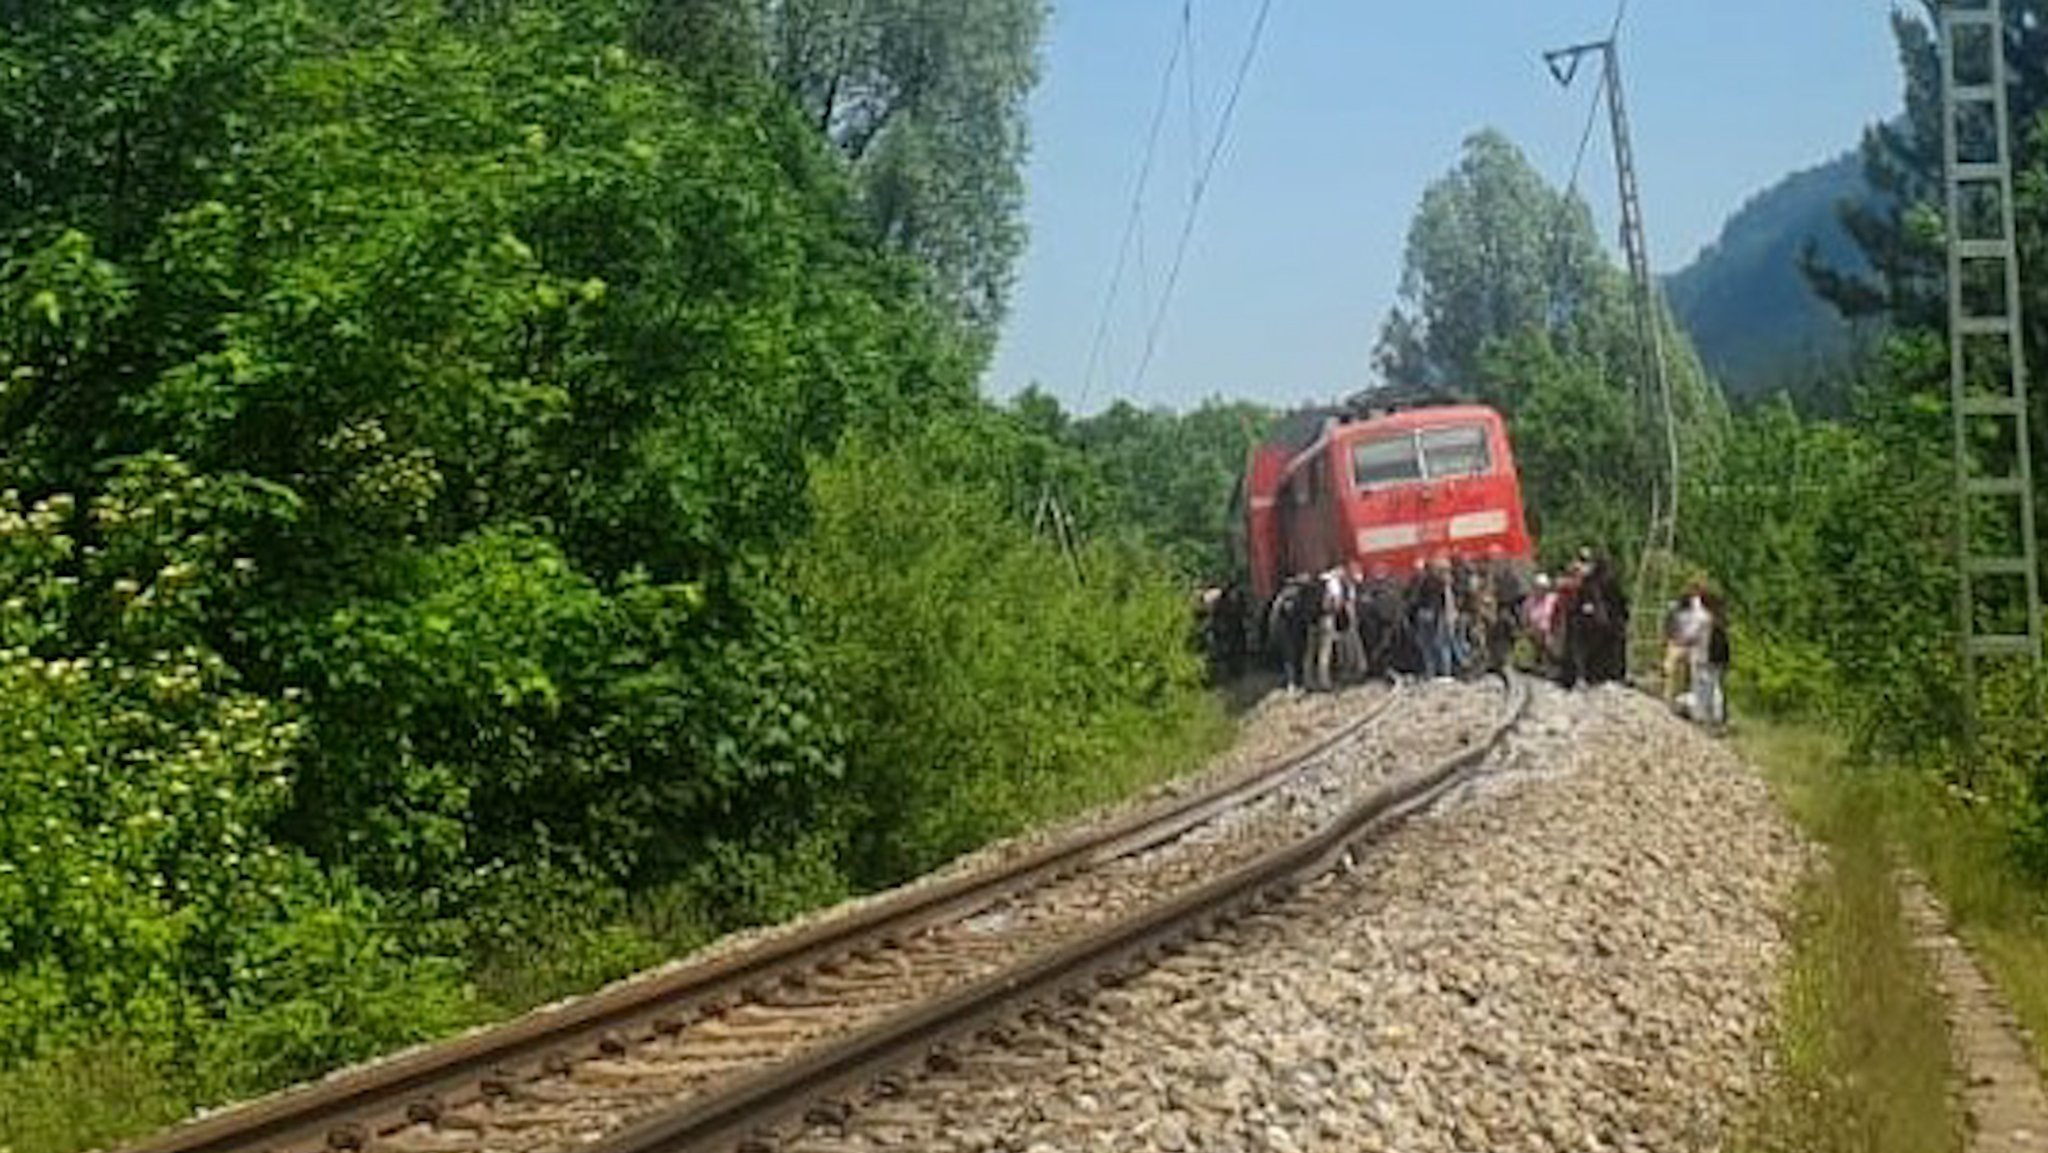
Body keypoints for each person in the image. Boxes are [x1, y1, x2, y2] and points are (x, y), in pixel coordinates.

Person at [1411, 555, 1458, 680]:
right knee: (1441, 645)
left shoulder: (1430, 582)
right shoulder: (1448, 583)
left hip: (1434, 616)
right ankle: (1443, 672)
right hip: (1441, 616)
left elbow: (1417, 599)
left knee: (1433, 645)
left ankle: (1435, 672)